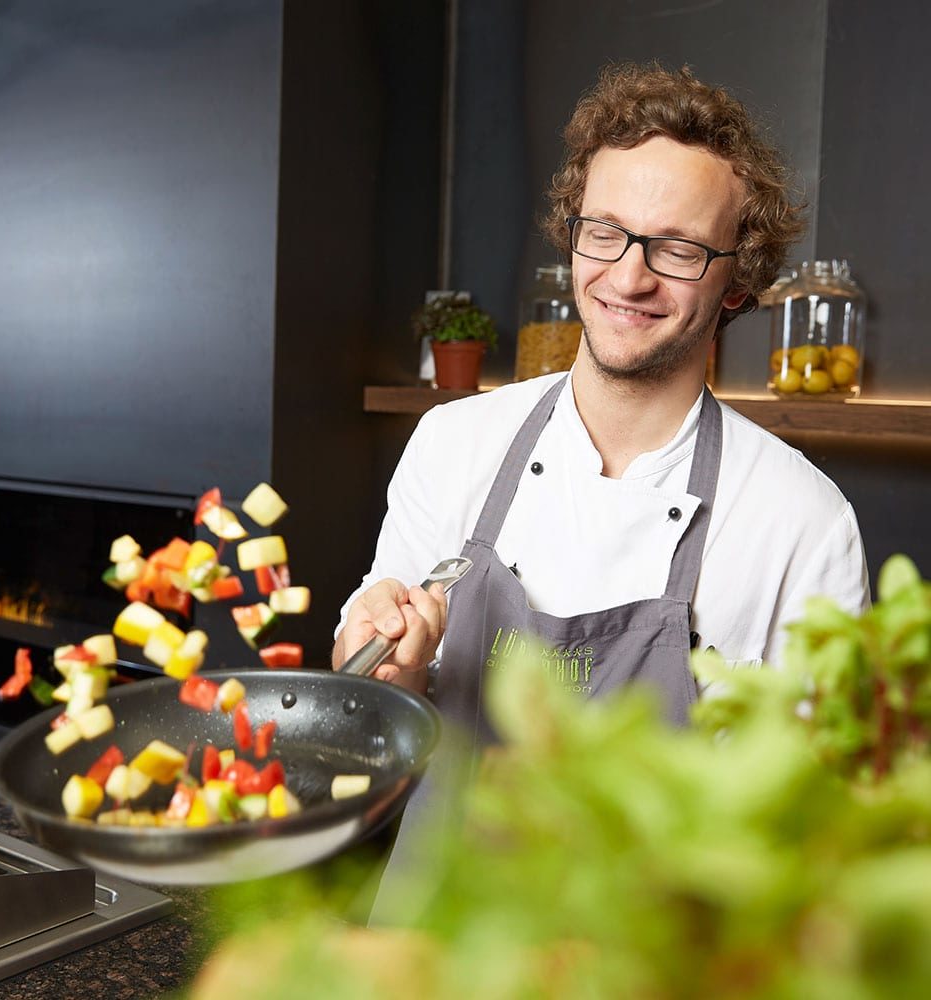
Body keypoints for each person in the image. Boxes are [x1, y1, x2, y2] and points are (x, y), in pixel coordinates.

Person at [333, 61, 869, 911]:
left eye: (678, 248)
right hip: (433, 947)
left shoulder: (803, 522)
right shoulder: (453, 445)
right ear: (572, 233)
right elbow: (370, 727)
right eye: (606, 231)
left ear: (737, 278)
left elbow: (814, 838)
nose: (628, 277)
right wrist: (383, 673)